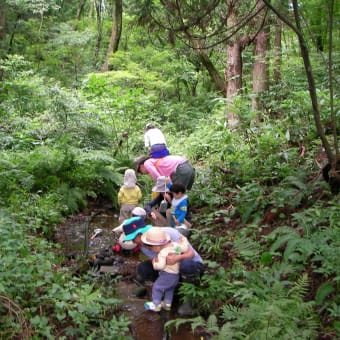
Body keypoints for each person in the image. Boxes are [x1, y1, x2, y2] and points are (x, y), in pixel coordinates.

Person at [122, 216, 204, 284]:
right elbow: (159, 261)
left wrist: (177, 258)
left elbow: (190, 253)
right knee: (143, 268)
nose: (133, 241)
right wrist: (157, 261)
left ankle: (191, 287)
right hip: (171, 269)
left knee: (185, 264)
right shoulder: (144, 247)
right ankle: (169, 287)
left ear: (140, 234)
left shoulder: (168, 233)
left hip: (192, 264)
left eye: (133, 238)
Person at [141, 227, 189, 312]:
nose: (152, 249)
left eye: (152, 247)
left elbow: (160, 266)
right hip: (176, 275)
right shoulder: (175, 245)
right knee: (169, 289)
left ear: (158, 246)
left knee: (157, 287)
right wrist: (183, 239)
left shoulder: (163, 253)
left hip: (167, 275)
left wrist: (154, 263)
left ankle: (156, 305)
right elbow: (184, 248)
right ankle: (167, 304)